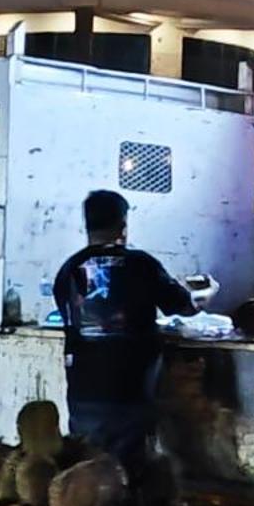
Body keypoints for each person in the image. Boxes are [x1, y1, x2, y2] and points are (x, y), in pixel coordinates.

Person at [51, 190, 199, 476]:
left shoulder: (68, 270)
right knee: (129, 475)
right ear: (123, 225)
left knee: (88, 472)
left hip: (83, 391)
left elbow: (66, 311)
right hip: (130, 392)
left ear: (87, 225)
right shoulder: (141, 264)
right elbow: (180, 305)